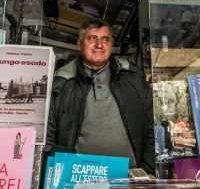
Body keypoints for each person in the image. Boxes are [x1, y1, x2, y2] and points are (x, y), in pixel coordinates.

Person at [46, 19, 155, 173]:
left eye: (105, 39)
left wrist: (147, 170)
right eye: (92, 39)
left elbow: (152, 126)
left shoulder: (132, 78)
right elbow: (48, 135)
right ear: (80, 43)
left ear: (111, 45)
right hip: (78, 177)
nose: (99, 45)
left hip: (129, 176)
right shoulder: (62, 82)